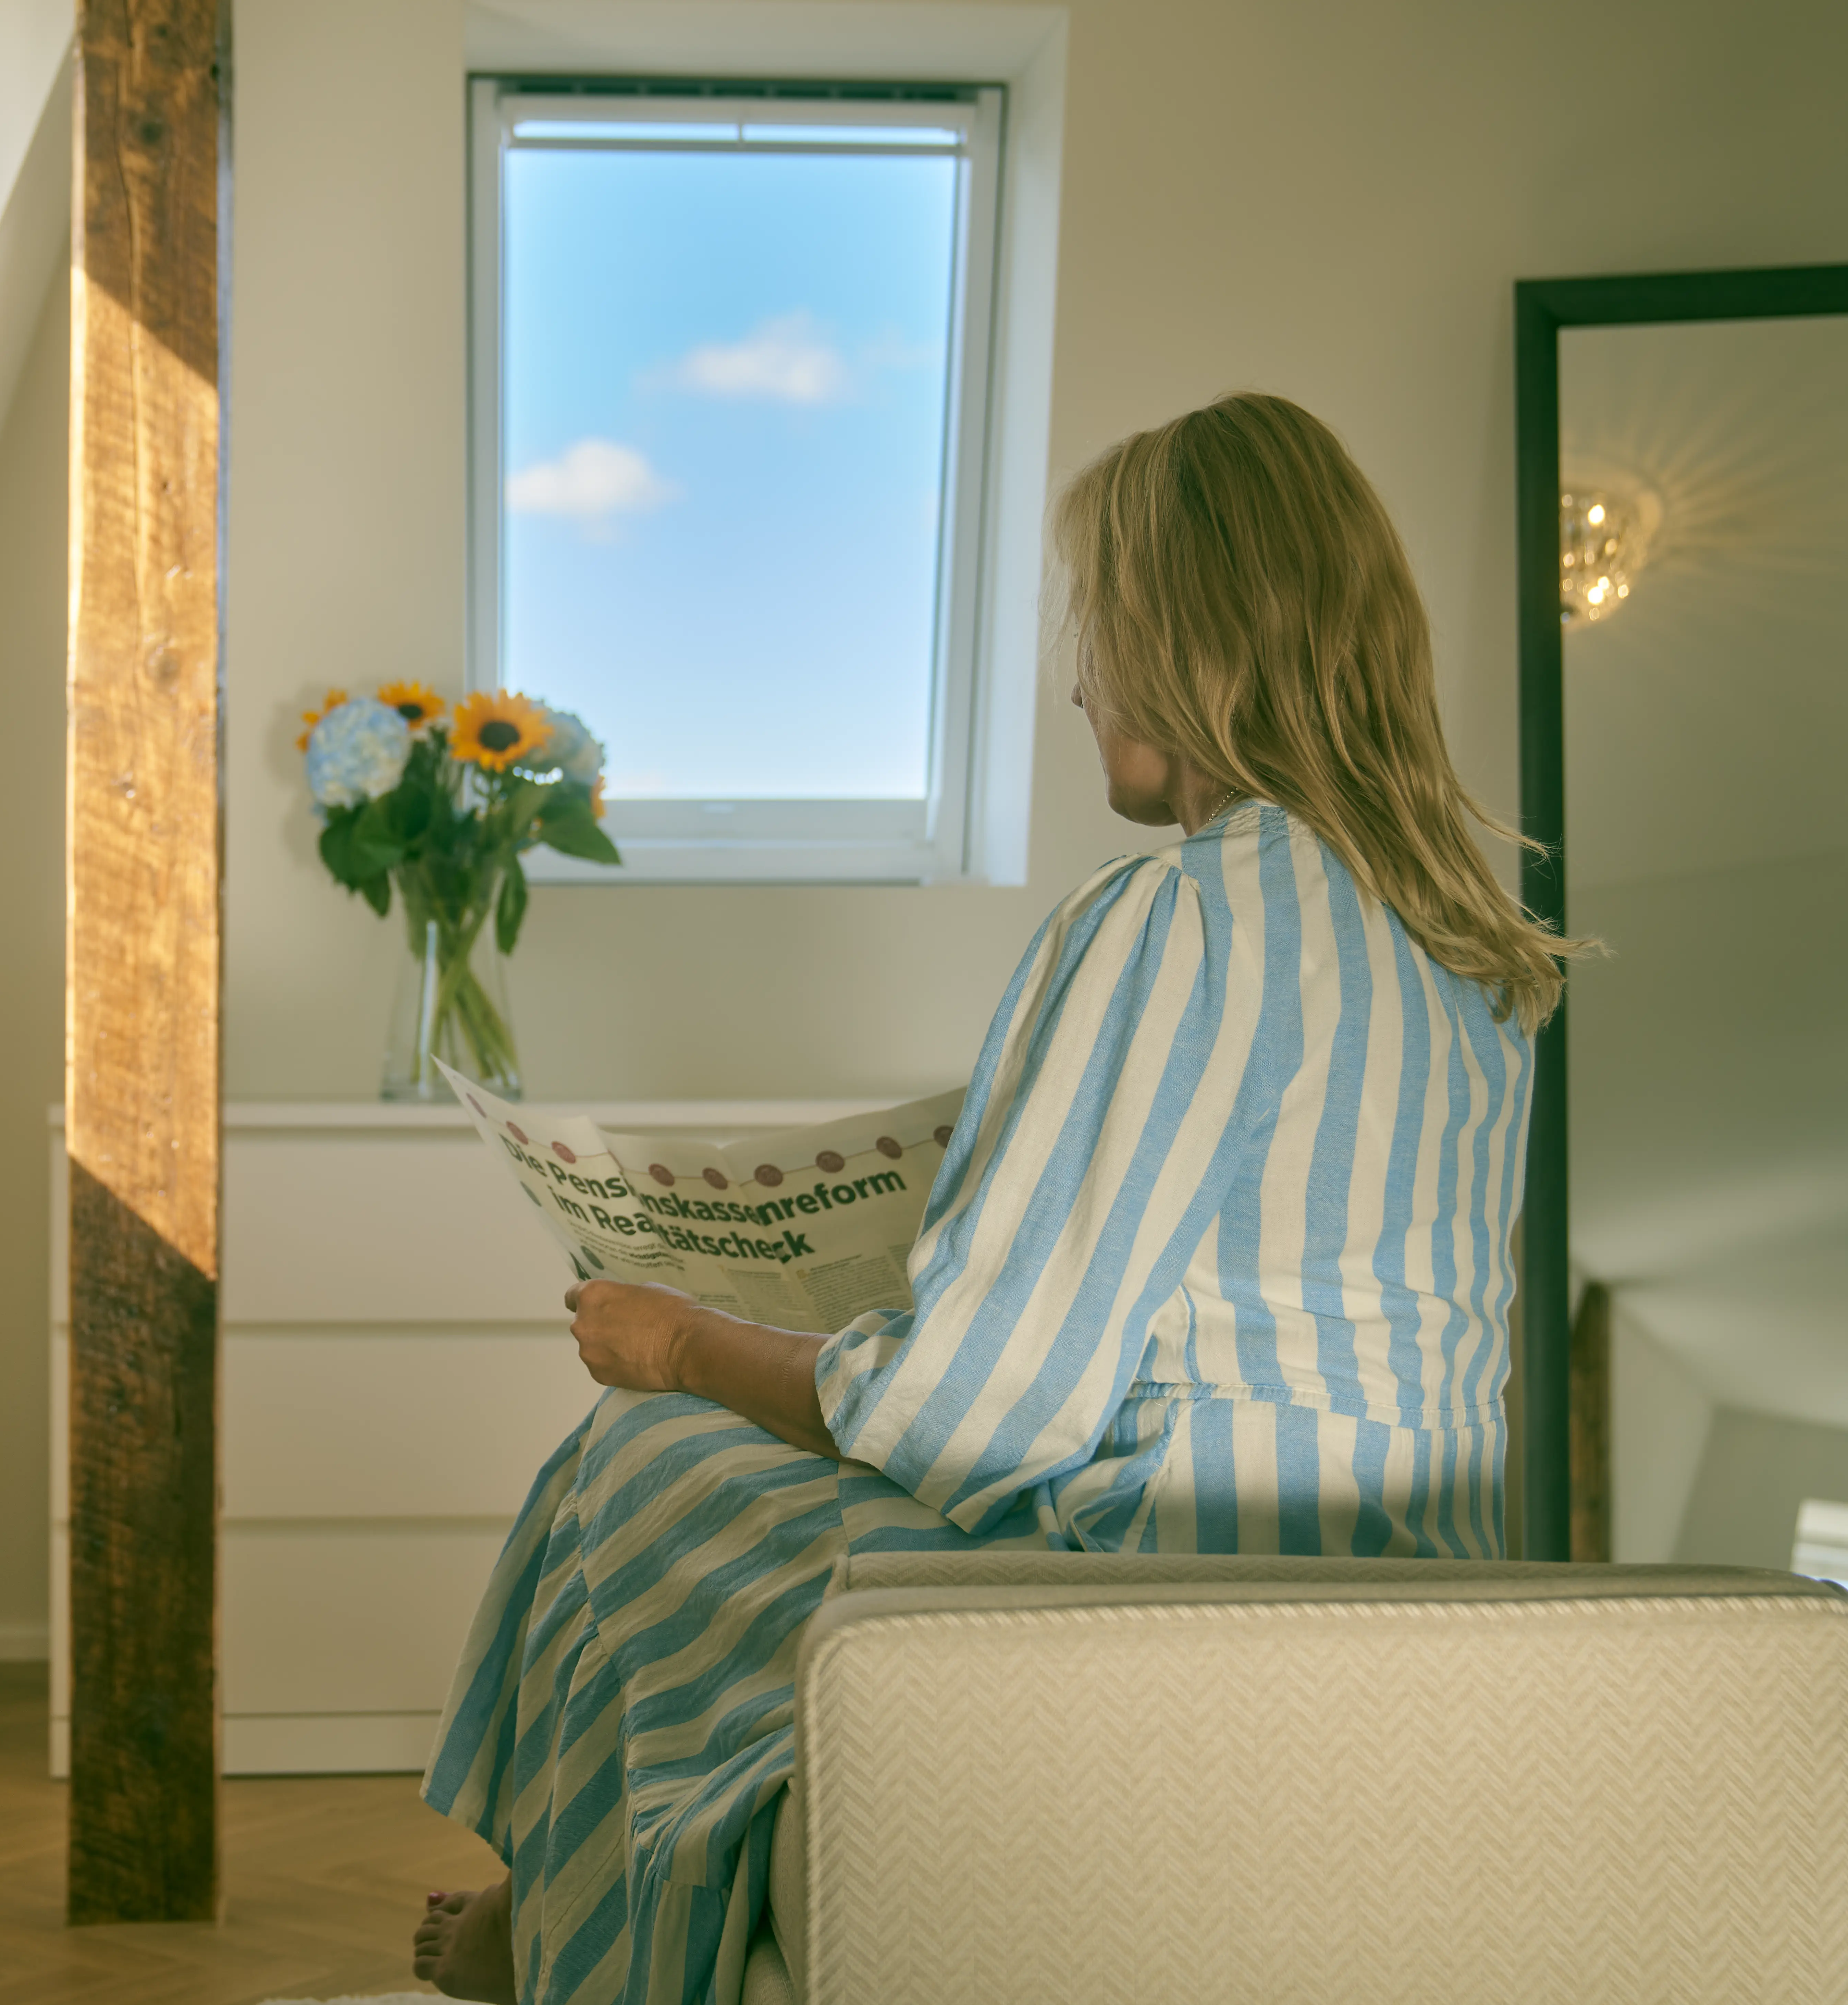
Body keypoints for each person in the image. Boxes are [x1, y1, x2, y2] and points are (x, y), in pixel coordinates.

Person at [409, 391, 1586, 2005]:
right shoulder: (1470, 954)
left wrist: (680, 1342)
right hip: (1407, 1593)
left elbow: (976, 1416)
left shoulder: (1183, 917)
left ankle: (562, 1923)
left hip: (1157, 1602)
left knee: (640, 1458)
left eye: (1097, 624)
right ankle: (560, 1910)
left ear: (1186, 640)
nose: (1083, 673)